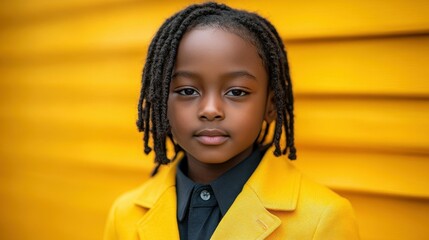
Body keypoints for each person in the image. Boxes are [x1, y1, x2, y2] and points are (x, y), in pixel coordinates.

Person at [104, 2, 359, 239]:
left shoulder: (322, 218)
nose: (211, 110)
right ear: (161, 103)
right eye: (187, 91)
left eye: (237, 92)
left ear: (270, 106)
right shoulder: (124, 214)